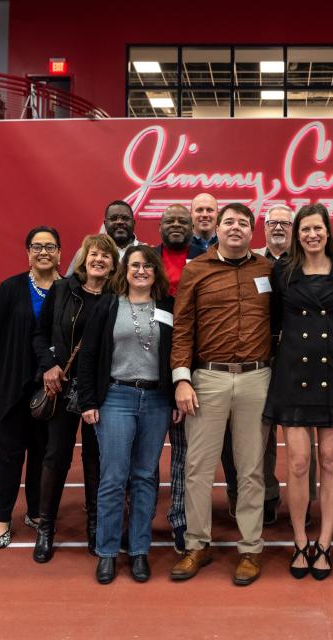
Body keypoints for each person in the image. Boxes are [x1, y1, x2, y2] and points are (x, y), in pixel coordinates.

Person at [169, 203, 273, 586]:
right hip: (207, 379)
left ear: (251, 230)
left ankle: (250, 548)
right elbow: (182, 328)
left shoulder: (267, 270)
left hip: (256, 379)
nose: (235, 228)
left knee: (250, 470)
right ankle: (197, 544)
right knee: (197, 468)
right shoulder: (197, 269)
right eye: (228, 221)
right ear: (217, 227)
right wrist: (181, 379)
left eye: (243, 223)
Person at [263, 203, 333, 580]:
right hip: (293, 375)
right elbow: (271, 321)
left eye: (317, 228)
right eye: (305, 230)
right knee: (299, 463)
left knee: (332, 462)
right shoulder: (283, 271)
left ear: (327, 231)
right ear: (297, 234)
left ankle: (325, 542)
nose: (312, 235)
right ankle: (300, 540)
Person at [77, 246, 179, 584]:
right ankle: (107, 552)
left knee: (146, 476)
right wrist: (89, 401)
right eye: (135, 265)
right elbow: (89, 355)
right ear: (125, 270)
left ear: (156, 271)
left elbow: (178, 354)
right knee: (113, 477)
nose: (141, 270)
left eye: (148, 265)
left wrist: (177, 395)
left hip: (157, 400)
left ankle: (138, 551)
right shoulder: (108, 305)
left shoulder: (167, 306)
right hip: (116, 397)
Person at [227, 203, 318, 526]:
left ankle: (305, 499)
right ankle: (265, 496)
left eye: (285, 223)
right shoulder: (252, 262)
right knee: (260, 432)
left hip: (299, 356)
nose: (278, 227)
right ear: (262, 228)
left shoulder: (307, 261)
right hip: (260, 353)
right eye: (272, 222)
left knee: (302, 431)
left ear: (293, 229)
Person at [30, 234, 118, 563]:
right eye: (94, 254)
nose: (99, 260)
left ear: (113, 264)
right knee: (56, 457)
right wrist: (49, 366)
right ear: (83, 258)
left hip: (102, 390)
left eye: (106, 257)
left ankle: (95, 528)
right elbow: (39, 335)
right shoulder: (62, 290)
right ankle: (46, 528)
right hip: (64, 385)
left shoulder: (117, 296)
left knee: (97, 461)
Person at [0, 226, 59, 548]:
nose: (43, 252)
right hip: (7, 388)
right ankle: (1, 518)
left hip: (50, 391)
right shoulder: (10, 289)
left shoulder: (67, 290)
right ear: (27, 253)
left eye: (50, 246)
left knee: (43, 455)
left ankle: (37, 512)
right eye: (37, 246)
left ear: (60, 253)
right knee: (4, 456)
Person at [154, 203, 205, 551]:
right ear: (159, 226)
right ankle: (135, 519)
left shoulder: (208, 256)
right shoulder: (146, 259)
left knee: (184, 453)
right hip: (149, 363)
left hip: (194, 363)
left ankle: (181, 519)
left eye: (182, 221)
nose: (175, 225)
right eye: (169, 220)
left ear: (193, 226)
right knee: (142, 454)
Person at [67, 200, 141, 274]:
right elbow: (68, 283)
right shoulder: (86, 251)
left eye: (125, 218)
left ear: (134, 223)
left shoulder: (147, 252)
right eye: (113, 218)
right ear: (105, 224)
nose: (119, 222)